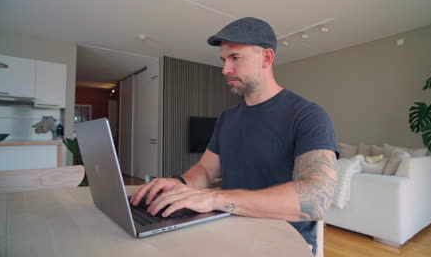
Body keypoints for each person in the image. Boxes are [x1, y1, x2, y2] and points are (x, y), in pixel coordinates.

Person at [131, 17, 339, 255]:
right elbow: (207, 170)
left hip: (283, 244)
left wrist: (214, 199)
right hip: (229, 233)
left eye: (235, 58)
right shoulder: (227, 118)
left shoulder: (308, 115)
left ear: (267, 58)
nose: (225, 69)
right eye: (224, 59)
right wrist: (180, 184)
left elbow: (316, 198)